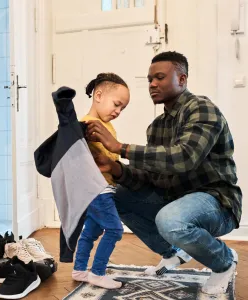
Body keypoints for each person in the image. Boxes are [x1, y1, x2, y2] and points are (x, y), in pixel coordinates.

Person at [85, 51, 242, 295]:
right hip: (175, 200)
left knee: (171, 220)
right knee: (116, 197)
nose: (152, 84)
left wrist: (120, 148)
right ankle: (173, 254)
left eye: (159, 77)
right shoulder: (156, 127)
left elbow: (185, 157)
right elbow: (152, 177)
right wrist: (114, 167)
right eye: (149, 79)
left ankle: (224, 262)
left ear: (182, 79)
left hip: (216, 202)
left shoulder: (202, 108)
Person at [72, 73, 130, 289]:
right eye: (116, 104)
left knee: (92, 231)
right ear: (98, 95)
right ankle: (97, 273)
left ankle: (79, 270)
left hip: (101, 188)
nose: (118, 111)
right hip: (97, 189)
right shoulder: (87, 125)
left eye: (122, 108)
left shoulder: (101, 124)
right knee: (115, 230)